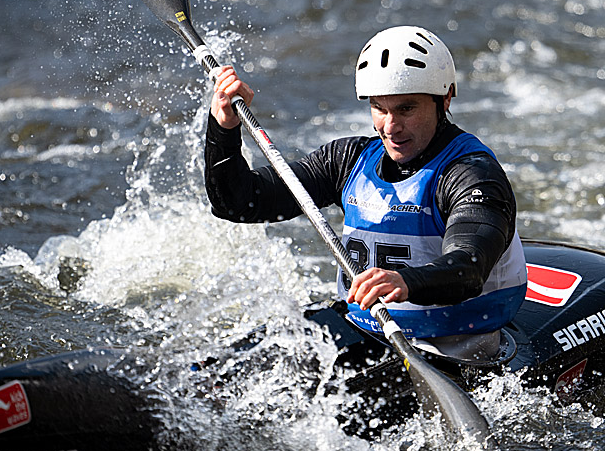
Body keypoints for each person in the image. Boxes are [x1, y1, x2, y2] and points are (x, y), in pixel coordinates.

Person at [204, 26, 527, 361]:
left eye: (406, 109)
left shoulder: (472, 175)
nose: (390, 126)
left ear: (444, 99)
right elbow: (239, 203)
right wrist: (224, 129)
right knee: (217, 371)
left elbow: (469, 267)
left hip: (455, 344)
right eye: (379, 108)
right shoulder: (346, 161)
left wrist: (406, 281)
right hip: (366, 330)